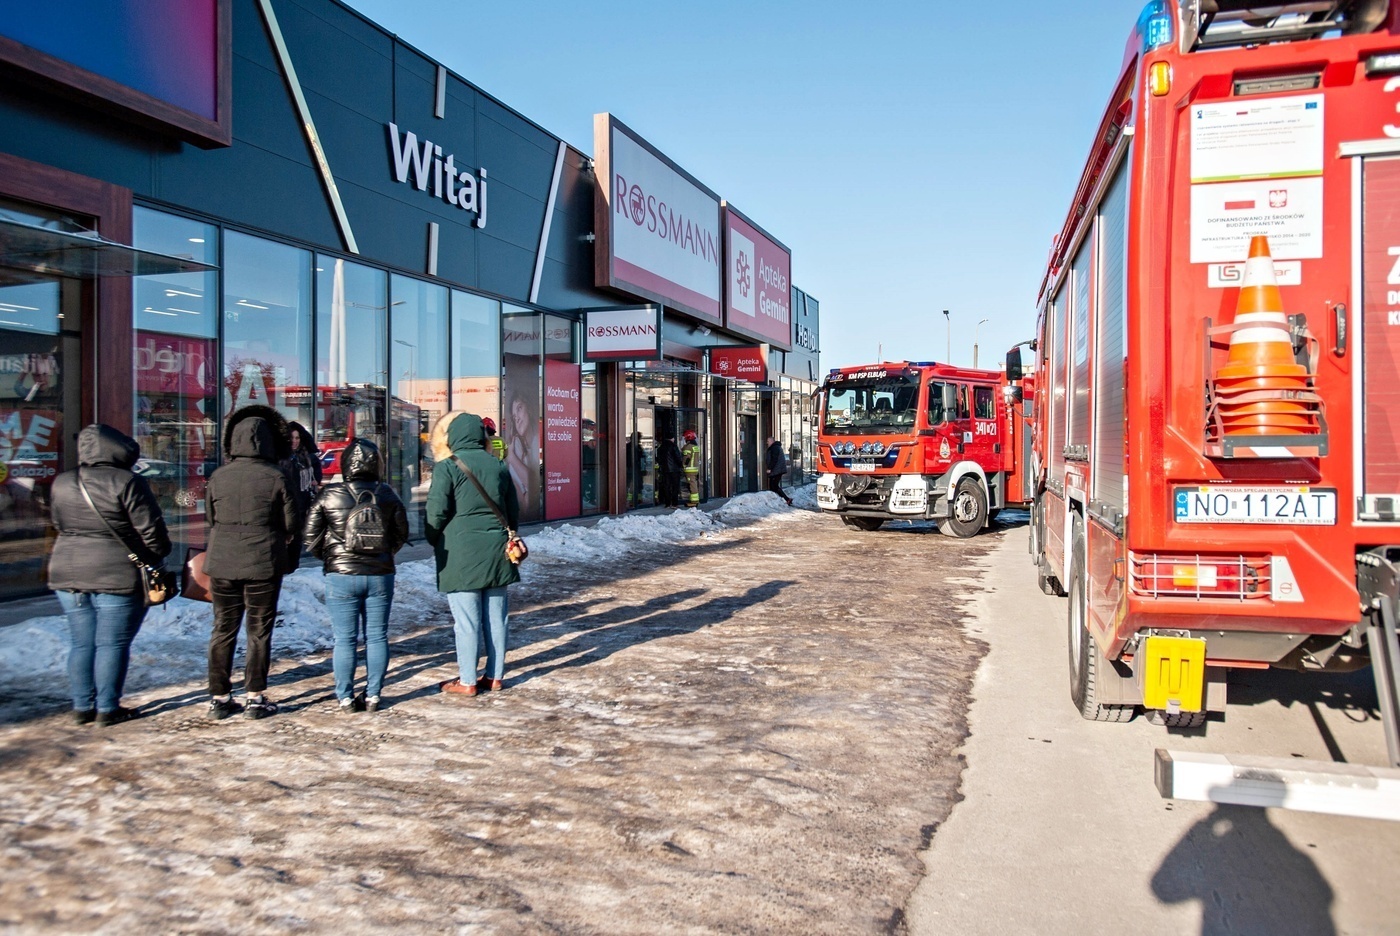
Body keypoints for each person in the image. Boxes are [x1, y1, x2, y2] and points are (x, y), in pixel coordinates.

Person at [48, 424, 172, 727]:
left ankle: (81, 706)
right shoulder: (128, 481)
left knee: (82, 643)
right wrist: (156, 557)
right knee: (112, 644)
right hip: (117, 573)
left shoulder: (63, 481)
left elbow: (57, 522)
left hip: (67, 570)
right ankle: (107, 707)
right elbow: (152, 534)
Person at [203, 406, 299, 720]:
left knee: (222, 629)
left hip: (223, 561)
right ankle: (255, 697)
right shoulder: (276, 476)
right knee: (258, 631)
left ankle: (219, 697)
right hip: (263, 561)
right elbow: (291, 521)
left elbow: (210, 518)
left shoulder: (218, 475)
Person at [304, 439, 409, 713]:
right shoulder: (388, 494)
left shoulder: (330, 494)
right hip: (380, 574)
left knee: (345, 639)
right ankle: (373, 695)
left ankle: (345, 697)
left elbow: (310, 538)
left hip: (341, 575)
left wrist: (332, 559)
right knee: (377, 636)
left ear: (345, 463)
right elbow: (401, 534)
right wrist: (385, 553)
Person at [425, 413, 520, 697]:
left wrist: (435, 540)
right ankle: (495, 676)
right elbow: (512, 510)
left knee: (466, 621)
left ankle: (467, 680)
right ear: (481, 436)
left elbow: (436, 512)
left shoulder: (447, 467)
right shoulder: (498, 466)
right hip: (497, 553)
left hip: (460, 553)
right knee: (496, 618)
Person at [765, 435, 793, 506]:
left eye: (768, 441)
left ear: (771, 441)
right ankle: (782, 499)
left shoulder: (775, 448)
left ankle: (786, 499)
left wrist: (770, 468)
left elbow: (774, 459)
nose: (767, 443)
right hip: (777, 470)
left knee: (774, 485)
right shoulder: (776, 447)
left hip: (776, 470)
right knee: (773, 486)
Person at [657, 433, 683, 508]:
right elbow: (678, 457)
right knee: (675, 486)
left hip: (665, 470)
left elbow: (659, 458)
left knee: (667, 486)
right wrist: (681, 465)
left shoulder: (661, 447)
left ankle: (667, 503)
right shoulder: (673, 446)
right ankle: (674, 503)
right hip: (674, 470)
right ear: (672, 438)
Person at [681, 430, 701, 507]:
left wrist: (683, 465)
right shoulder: (695, 446)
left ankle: (694, 501)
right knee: (693, 483)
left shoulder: (689, 447)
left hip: (689, 469)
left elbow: (686, 458)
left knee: (692, 484)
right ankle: (694, 500)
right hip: (695, 468)